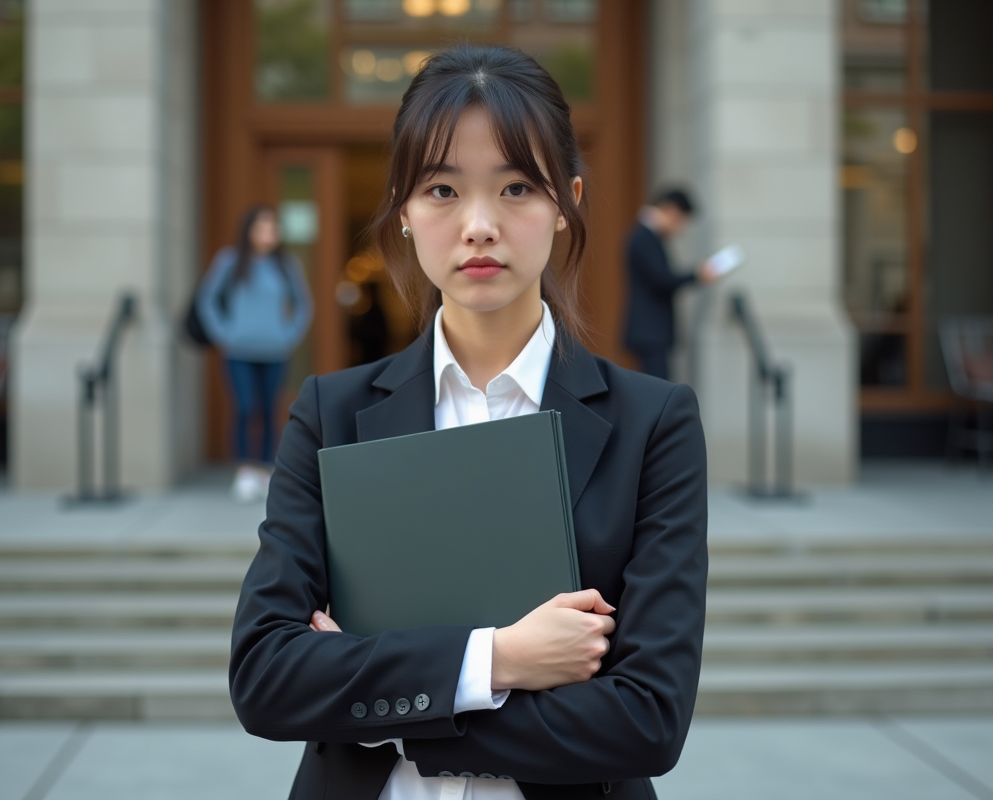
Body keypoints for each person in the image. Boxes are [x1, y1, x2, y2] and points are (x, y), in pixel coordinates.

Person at [229, 45, 708, 799]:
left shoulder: (654, 425)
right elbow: (265, 676)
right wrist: (498, 661)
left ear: (564, 203)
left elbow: (646, 720)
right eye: (443, 189)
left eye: (517, 187)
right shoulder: (333, 415)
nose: (479, 225)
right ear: (406, 211)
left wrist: (373, 700)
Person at [197, 204, 313, 502]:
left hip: (275, 352)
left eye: (272, 228)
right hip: (239, 351)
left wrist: (288, 336)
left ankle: (263, 470)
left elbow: (303, 305)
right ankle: (245, 471)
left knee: (269, 410)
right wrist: (223, 333)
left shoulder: (286, 265)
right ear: (248, 230)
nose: (267, 233)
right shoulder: (230, 261)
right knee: (246, 408)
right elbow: (207, 300)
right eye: (261, 227)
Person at [622, 188, 718, 380]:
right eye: (680, 221)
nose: (680, 228)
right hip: (650, 331)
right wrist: (696, 275)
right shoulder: (644, 237)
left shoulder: (647, 236)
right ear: (671, 210)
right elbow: (661, 279)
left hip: (651, 331)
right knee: (655, 391)